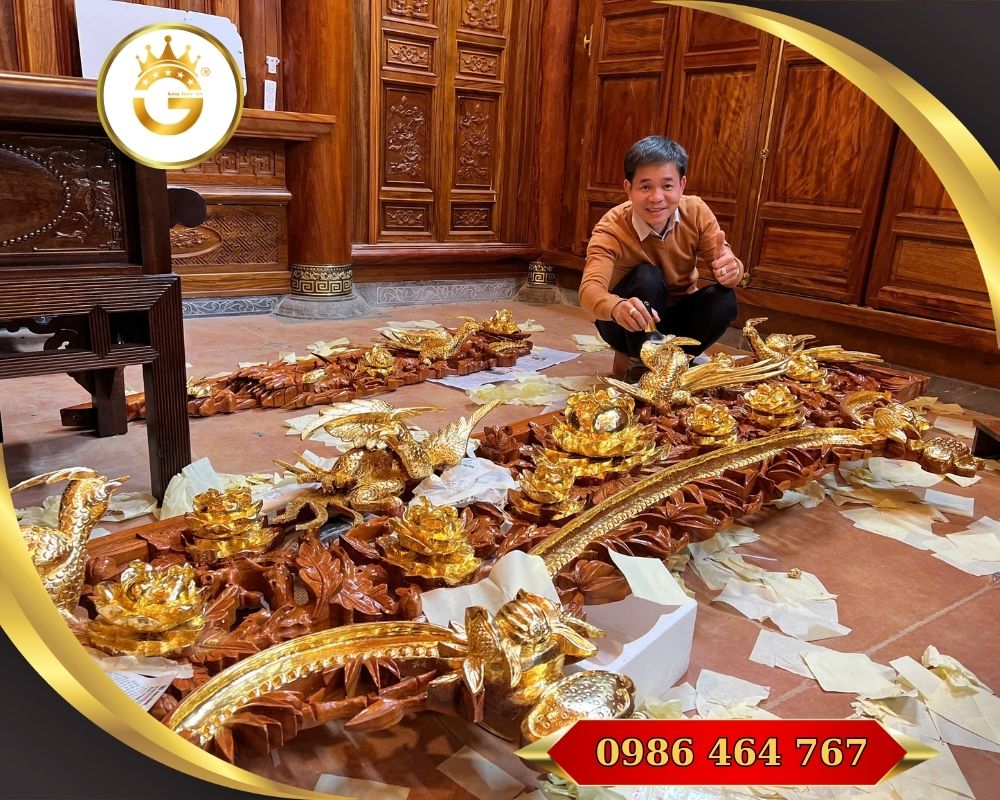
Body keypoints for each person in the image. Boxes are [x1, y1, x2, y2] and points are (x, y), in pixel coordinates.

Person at [579, 136, 743, 377]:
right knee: (648, 276)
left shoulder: (696, 211)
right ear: (628, 188)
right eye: (645, 187)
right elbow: (589, 290)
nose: (656, 198)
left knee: (724, 298)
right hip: (626, 324)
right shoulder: (611, 228)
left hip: (678, 319)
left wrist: (732, 271)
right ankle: (639, 364)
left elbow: (727, 265)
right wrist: (617, 307)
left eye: (667, 186)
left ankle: (679, 361)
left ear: (682, 185)